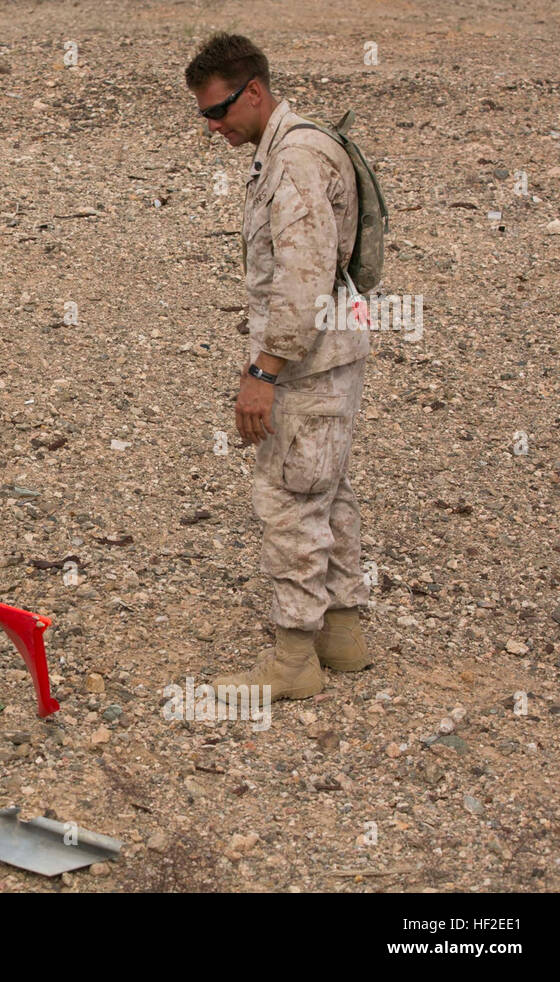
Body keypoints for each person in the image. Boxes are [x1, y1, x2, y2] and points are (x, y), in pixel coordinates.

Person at [184, 34, 373, 702]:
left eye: (220, 110)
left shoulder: (293, 160)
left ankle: (295, 661)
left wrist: (261, 372)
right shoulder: (306, 144)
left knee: (291, 498)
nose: (214, 127)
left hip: (304, 362)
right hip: (333, 354)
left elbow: (302, 277)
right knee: (330, 491)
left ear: (256, 91)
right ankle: (342, 637)